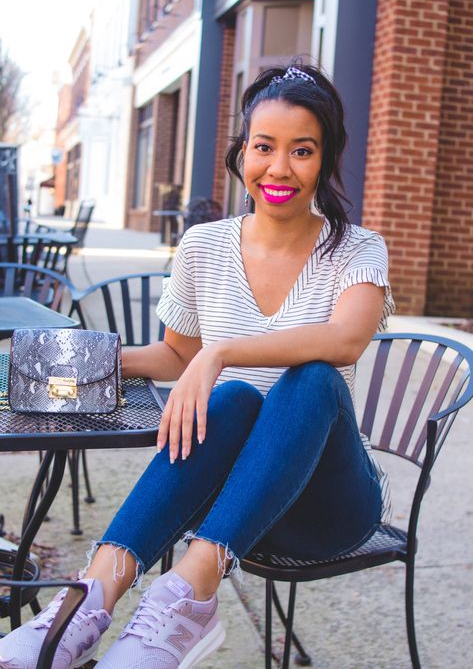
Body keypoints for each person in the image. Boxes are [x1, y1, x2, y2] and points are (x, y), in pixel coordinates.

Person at [0, 63, 395, 669]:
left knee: (310, 378)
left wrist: (223, 351)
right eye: (264, 147)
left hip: (325, 505)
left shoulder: (357, 249)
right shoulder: (204, 247)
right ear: (242, 153)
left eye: (303, 150)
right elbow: (175, 355)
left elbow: (343, 341)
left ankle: (188, 596)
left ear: (327, 158)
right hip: (229, 502)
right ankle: (93, 598)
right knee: (233, 398)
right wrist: (69, 366)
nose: (280, 168)